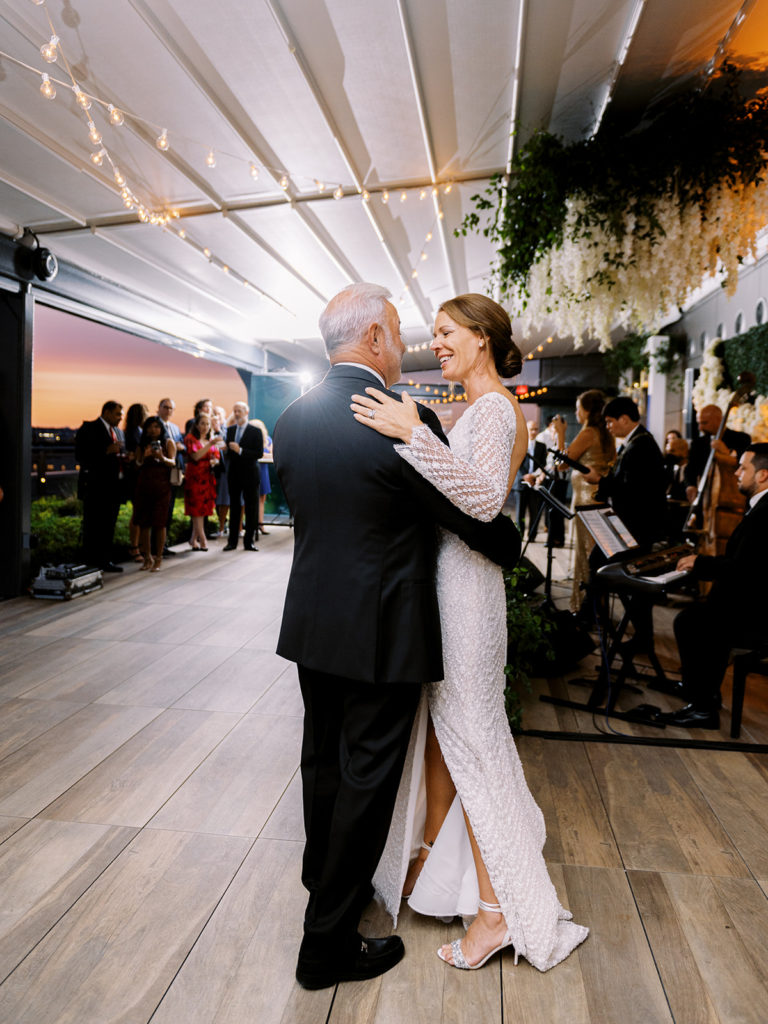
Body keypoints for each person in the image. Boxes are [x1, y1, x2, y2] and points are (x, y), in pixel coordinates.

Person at [273, 283, 521, 990]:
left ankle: (321, 878)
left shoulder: (291, 421)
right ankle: (326, 945)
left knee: (322, 761)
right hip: (383, 630)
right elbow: (472, 520)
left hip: (312, 624)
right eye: (401, 334)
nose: (409, 347)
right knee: (366, 780)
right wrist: (513, 545)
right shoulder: (397, 420)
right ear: (376, 338)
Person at [351, 292, 588, 972]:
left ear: (482, 338)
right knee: (469, 744)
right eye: (434, 334)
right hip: (463, 588)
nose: (439, 344)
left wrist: (412, 434)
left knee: (474, 749)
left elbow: (482, 501)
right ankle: (465, 882)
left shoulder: (491, 408)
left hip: (464, 594)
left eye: (448, 333)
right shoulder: (495, 409)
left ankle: (493, 918)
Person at [660, 444, 768, 728]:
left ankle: (703, 707)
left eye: (743, 468)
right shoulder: (761, 507)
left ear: (763, 476)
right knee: (698, 617)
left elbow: (743, 570)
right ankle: (701, 693)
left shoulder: (765, 514)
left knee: (690, 622)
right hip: (749, 604)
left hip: (757, 616)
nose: (736, 473)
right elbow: (742, 563)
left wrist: (699, 563)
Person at [559, 390, 615, 613]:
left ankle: (584, 607)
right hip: (600, 500)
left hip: (586, 502)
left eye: (578, 407)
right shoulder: (605, 434)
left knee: (585, 554)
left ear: (587, 410)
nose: (575, 412)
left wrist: (561, 433)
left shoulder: (588, 432)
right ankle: (596, 605)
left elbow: (562, 463)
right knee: (596, 555)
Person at [75, 400, 125, 572]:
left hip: (113, 488)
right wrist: (106, 451)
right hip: (95, 488)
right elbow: (80, 455)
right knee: (93, 525)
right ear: (107, 412)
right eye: (118, 414)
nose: (120, 418)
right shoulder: (89, 428)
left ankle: (105, 560)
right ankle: (91, 561)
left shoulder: (117, 432)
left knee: (108, 525)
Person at [684, 404, 750, 504]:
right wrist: (690, 485)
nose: (700, 427)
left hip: (731, 496)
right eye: (699, 423)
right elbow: (691, 468)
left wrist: (727, 453)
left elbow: (746, 466)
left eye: (704, 423)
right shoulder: (698, 443)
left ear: (719, 420)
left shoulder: (741, 438)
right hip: (705, 496)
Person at [133, 415, 175, 572]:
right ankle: (147, 557)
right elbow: (136, 465)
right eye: (150, 427)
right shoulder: (142, 445)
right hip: (144, 486)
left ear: (161, 428)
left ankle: (158, 557)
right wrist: (144, 457)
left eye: (156, 426)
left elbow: (173, 462)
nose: (153, 430)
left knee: (160, 523)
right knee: (144, 523)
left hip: (162, 487)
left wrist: (161, 457)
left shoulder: (168, 442)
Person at [224, 402, 263, 551]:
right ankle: (231, 542)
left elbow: (258, 453)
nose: (236, 413)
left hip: (250, 474)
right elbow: (229, 453)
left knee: (251, 508)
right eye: (235, 411)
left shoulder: (255, 431)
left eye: (239, 411)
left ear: (246, 412)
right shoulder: (230, 430)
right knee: (234, 508)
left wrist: (240, 450)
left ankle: (249, 542)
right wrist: (226, 450)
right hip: (234, 474)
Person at [183, 412, 221, 550]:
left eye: (207, 424)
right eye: (202, 423)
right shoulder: (190, 438)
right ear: (197, 425)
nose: (205, 426)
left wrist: (215, 461)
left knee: (203, 510)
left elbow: (216, 457)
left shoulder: (210, 439)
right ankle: (203, 539)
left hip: (207, 478)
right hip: (195, 478)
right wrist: (210, 444)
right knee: (196, 509)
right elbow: (196, 456)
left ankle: (193, 539)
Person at [158, 397, 185, 557]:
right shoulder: (155, 425)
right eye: (165, 407)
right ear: (159, 408)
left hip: (175, 473)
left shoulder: (175, 428)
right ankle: (157, 546)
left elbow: (182, 445)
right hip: (161, 473)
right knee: (160, 510)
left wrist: (180, 447)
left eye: (171, 408)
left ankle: (164, 544)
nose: (168, 411)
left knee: (169, 509)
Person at [123, 402, 148, 563]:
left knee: (141, 512)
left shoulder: (135, 432)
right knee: (138, 513)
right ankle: (135, 547)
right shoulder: (134, 433)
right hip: (135, 477)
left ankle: (140, 545)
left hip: (139, 476)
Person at [515, 420, 545, 540]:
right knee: (520, 513)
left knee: (534, 512)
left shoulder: (541, 446)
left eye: (536, 429)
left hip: (534, 483)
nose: (533, 432)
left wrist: (534, 476)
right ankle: (519, 534)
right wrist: (525, 476)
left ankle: (532, 536)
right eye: (531, 429)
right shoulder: (520, 444)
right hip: (521, 484)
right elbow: (516, 463)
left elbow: (543, 464)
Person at [250, 417, 272, 535]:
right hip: (253, 469)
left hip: (264, 470)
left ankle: (260, 524)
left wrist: (263, 454)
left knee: (262, 497)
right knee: (251, 497)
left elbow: (272, 455)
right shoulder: (250, 439)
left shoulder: (268, 440)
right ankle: (252, 524)